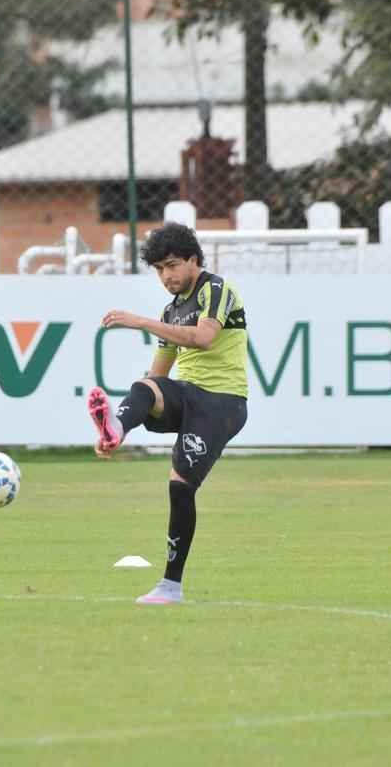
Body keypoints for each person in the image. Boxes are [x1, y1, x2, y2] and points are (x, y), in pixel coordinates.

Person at [87, 222, 248, 605]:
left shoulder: (215, 289)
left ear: (193, 260)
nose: (166, 276)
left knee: (180, 487)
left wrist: (141, 322)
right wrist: (124, 420)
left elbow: (204, 338)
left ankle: (170, 587)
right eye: (159, 269)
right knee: (145, 386)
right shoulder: (171, 310)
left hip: (222, 403)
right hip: (187, 396)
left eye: (172, 266)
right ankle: (114, 430)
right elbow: (158, 374)